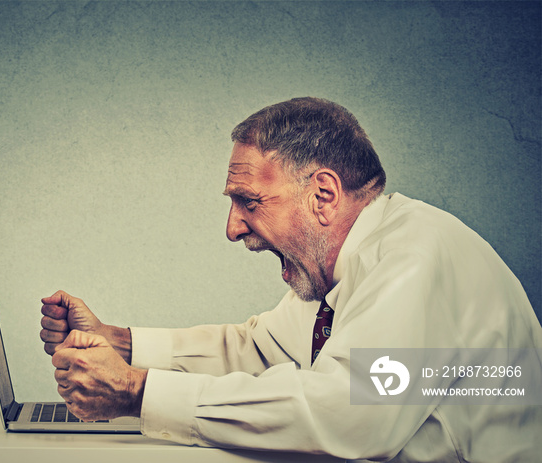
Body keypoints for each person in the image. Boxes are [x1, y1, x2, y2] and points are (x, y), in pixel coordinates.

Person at [40, 97, 542, 462]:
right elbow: (259, 348)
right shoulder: (341, 268)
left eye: (250, 201)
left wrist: (136, 391)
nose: (233, 228)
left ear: (323, 194)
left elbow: (354, 414)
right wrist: (120, 344)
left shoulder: (416, 256)